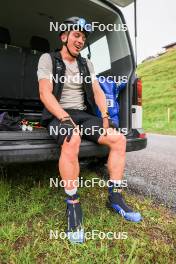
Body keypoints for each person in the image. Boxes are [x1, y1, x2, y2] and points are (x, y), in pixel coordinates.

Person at [37, 17, 142, 243]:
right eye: (76, 35)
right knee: (71, 138)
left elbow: (97, 92)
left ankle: (115, 197)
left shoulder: (87, 64)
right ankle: (73, 204)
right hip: (59, 113)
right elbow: (45, 93)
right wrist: (64, 118)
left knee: (118, 140)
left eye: (83, 37)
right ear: (64, 37)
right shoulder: (48, 59)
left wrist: (104, 116)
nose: (80, 41)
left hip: (83, 114)